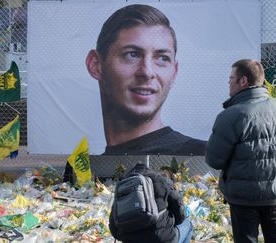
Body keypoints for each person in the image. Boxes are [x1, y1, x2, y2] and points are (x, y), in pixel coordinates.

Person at [63, 4, 205, 182]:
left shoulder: (203, 159)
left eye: (162, 58)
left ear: (174, 72)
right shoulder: (84, 171)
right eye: (132, 54)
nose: (147, 72)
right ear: (96, 65)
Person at [205, 59, 276, 243]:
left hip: (243, 197)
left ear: (243, 81)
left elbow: (215, 159)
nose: (228, 82)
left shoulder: (230, 116)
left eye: (231, 78)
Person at [109, 162, 193, 243]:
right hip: (163, 239)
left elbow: (114, 230)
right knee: (188, 224)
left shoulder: (121, 190)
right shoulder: (163, 181)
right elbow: (181, 216)